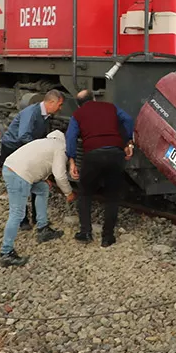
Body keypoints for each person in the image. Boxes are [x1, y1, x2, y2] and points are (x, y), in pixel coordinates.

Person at [65, 89, 134, 247]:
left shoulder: (78, 114)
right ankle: (107, 237)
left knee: (85, 193)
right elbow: (128, 120)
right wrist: (128, 142)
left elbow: (71, 137)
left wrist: (72, 160)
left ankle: (85, 232)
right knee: (112, 196)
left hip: (93, 155)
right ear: (94, 98)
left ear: (79, 104)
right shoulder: (111, 107)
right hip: (115, 154)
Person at [0, 130, 73, 266]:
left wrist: (44, 179)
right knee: (17, 213)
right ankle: (6, 253)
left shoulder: (43, 142)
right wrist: (68, 193)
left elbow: (38, 162)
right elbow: (60, 175)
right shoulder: (60, 147)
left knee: (42, 188)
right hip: (20, 175)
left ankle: (43, 228)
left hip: (11, 168)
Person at [0, 89, 65, 226]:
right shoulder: (32, 113)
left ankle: (37, 217)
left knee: (37, 181)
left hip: (27, 148)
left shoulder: (46, 116)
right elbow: (23, 135)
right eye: (59, 105)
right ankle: (22, 220)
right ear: (51, 102)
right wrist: (39, 149)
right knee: (19, 187)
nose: (61, 108)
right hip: (13, 148)